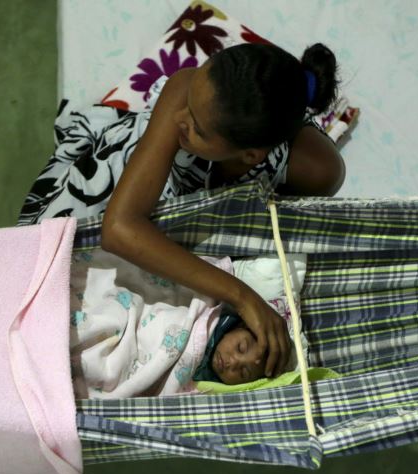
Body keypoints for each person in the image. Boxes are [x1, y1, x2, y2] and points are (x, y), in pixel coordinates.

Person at [22, 42, 345, 379]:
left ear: (251, 156)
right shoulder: (183, 90)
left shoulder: (318, 170)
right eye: (190, 106)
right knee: (41, 258)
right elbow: (118, 228)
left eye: (198, 129)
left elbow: (273, 223)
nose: (179, 120)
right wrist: (244, 296)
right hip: (130, 177)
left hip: (197, 209)